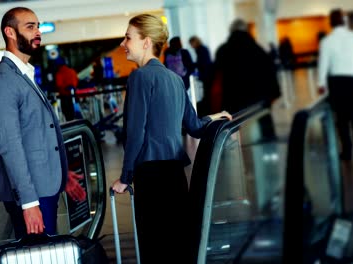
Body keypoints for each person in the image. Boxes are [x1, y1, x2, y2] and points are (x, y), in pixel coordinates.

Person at [110, 14, 232, 263]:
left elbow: (135, 134)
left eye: (128, 37)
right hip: (176, 175)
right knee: (178, 243)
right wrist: (215, 117)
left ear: (146, 42)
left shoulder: (139, 77)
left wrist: (125, 178)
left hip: (151, 176)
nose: (124, 43)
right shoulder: (175, 80)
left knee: (154, 245)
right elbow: (195, 127)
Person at [0, 6, 86, 239]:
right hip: (30, 196)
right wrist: (29, 203)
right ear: (10, 32)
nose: (37, 32)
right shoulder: (2, 82)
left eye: (38, 27)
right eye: (30, 27)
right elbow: (10, 146)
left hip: (44, 187)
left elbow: (37, 133)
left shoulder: (24, 74)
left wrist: (60, 174)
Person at [212, 18, 280, 140]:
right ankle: (269, 153)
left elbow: (216, 79)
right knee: (264, 133)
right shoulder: (258, 50)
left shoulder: (223, 51)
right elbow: (270, 74)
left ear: (231, 31)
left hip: (233, 101)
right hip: (258, 101)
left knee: (236, 136)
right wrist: (271, 96)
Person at [317, 8, 353, 161]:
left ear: (330, 23)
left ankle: (347, 151)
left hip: (337, 83)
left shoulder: (326, 41)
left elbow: (323, 64)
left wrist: (321, 84)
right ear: (344, 21)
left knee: (341, 119)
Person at [189, 35, 213, 116]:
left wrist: (193, 65)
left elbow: (203, 63)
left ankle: (208, 111)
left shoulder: (201, 50)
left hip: (206, 74)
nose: (191, 46)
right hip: (207, 74)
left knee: (207, 93)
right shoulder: (202, 49)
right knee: (207, 92)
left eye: (191, 44)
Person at [54, 57, 79, 122]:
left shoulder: (59, 73)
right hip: (74, 96)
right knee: (75, 114)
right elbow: (76, 81)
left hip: (64, 97)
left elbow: (58, 85)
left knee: (67, 116)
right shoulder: (72, 71)